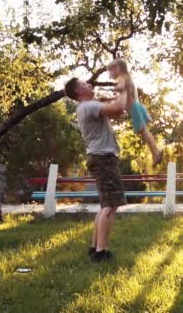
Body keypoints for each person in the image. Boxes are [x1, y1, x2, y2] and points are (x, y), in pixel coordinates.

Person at [64, 77, 127, 262]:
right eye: (85, 84)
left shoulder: (86, 107)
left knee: (105, 205)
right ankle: (101, 252)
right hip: (103, 158)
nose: (90, 85)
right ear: (79, 93)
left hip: (99, 157)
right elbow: (117, 109)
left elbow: (114, 110)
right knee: (110, 205)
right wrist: (124, 91)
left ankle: (95, 247)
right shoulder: (88, 106)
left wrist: (116, 96)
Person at [108, 59, 163, 167]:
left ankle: (156, 153)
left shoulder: (122, 78)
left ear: (117, 68)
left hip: (134, 108)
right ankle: (155, 153)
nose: (109, 74)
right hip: (136, 106)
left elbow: (121, 87)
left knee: (144, 132)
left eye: (110, 70)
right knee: (145, 132)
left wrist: (113, 88)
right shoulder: (128, 77)